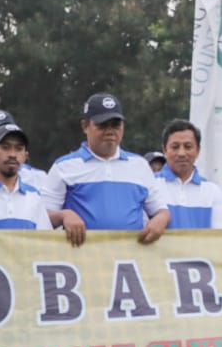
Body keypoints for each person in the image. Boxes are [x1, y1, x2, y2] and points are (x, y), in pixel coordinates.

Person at [42, 93, 170, 247]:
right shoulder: (64, 167)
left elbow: (161, 210)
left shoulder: (140, 165)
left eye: (116, 125)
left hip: (129, 261)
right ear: (85, 126)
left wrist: (160, 220)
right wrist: (64, 215)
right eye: (102, 125)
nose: (110, 131)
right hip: (82, 260)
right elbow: (42, 216)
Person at [154, 120, 222, 230]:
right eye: (175, 147)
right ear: (164, 150)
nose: (181, 153)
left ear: (198, 150)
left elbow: (220, 238)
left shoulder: (213, 191)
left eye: (188, 147)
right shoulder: (150, 186)